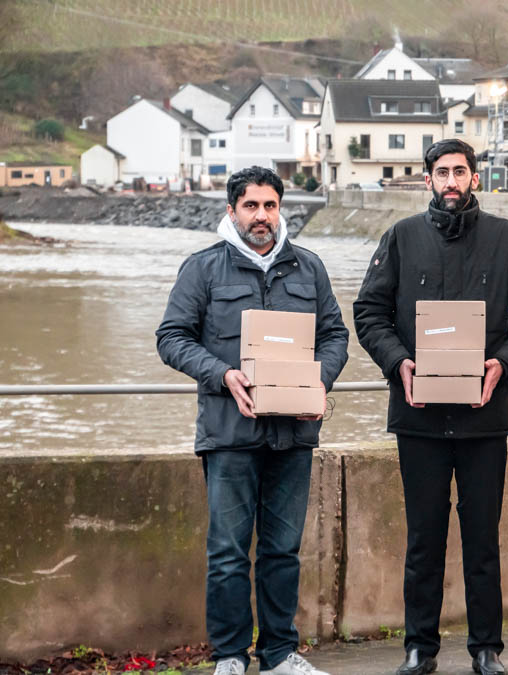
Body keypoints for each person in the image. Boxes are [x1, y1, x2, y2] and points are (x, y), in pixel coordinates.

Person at [353, 139, 508, 675]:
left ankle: (486, 649)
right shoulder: (400, 238)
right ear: (428, 181)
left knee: (483, 539)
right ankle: (420, 648)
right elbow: (368, 312)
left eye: (460, 172)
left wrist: (503, 365)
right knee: (423, 539)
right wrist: (398, 363)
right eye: (441, 172)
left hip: (484, 415)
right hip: (417, 414)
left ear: (474, 178)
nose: (451, 181)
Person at [156, 166, 348, 675]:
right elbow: (172, 338)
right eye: (251, 206)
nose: (261, 216)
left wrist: (319, 381)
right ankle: (229, 656)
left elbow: (335, 336)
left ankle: (280, 653)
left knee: (283, 552)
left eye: (270, 206)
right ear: (231, 211)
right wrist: (223, 375)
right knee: (227, 554)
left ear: (280, 209)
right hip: (229, 434)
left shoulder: (308, 268)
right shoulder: (203, 269)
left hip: (294, 433)